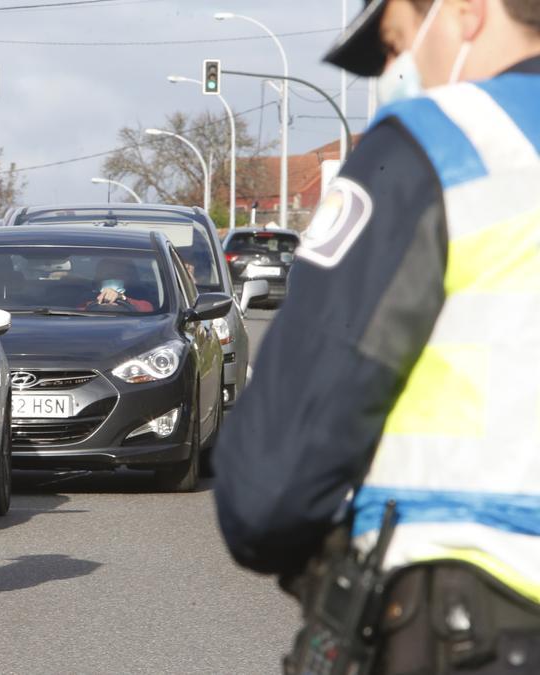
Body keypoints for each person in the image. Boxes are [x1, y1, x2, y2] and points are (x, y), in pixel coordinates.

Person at [213, 0, 540, 672]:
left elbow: (272, 483)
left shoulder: (444, 142)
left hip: (475, 616)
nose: (397, 71)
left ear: (470, 11)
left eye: (396, 43)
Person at [83, 259, 153, 312]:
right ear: (97, 279)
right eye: (106, 276)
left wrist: (123, 299)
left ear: (131, 277)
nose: (111, 279)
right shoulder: (87, 297)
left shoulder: (142, 296)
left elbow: (148, 309)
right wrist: (95, 304)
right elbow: (77, 313)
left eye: (117, 275)